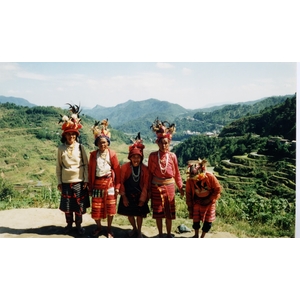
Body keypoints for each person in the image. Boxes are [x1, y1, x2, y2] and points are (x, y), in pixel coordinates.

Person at [148, 118, 184, 238]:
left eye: (166, 143)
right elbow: (149, 174)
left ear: (169, 142)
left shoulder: (172, 156)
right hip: (156, 186)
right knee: (158, 212)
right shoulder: (153, 156)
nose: (164, 145)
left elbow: (177, 173)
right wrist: (147, 189)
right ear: (157, 143)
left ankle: (168, 234)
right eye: (161, 143)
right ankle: (160, 234)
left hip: (170, 187)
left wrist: (181, 186)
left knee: (169, 213)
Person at [56, 104, 89, 235]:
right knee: (68, 206)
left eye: (73, 135)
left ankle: (79, 226)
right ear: (65, 136)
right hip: (65, 181)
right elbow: (58, 166)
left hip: (79, 181)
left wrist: (86, 179)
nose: (71, 137)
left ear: (76, 135)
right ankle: (69, 225)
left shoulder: (81, 147)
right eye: (68, 135)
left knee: (79, 206)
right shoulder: (60, 149)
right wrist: (59, 181)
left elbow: (86, 164)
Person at [88, 119, 121, 238]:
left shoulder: (112, 154)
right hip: (97, 183)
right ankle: (98, 227)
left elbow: (117, 170)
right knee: (96, 207)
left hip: (109, 183)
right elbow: (90, 171)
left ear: (108, 143)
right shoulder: (93, 155)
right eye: (100, 142)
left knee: (110, 207)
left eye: (104, 142)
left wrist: (117, 187)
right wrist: (90, 187)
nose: (102, 144)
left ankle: (109, 229)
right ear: (97, 143)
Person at [117, 132, 150, 238]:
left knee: (139, 214)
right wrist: (124, 197)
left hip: (140, 193)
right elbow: (121, 182)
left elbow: (146, 184)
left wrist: (143, 198)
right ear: (130, 157)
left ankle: (139, 231)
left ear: (141, 158)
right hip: (128, 193)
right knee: (130, 214)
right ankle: (134, 228)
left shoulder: (145, 169)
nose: (136, 159)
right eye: (133, 157)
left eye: (138, 157)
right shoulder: (125, 167)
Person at [185, 158, 222, 238]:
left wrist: (208, 199)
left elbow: (217, 189)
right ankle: (196, 235)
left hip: (209, 201)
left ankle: (202, 237)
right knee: (196, 220)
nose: (194, 180)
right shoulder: (190, 180)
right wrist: (190, 206)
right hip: (197, 201)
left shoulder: (210, 177)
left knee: (208, 221)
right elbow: (188, 193)